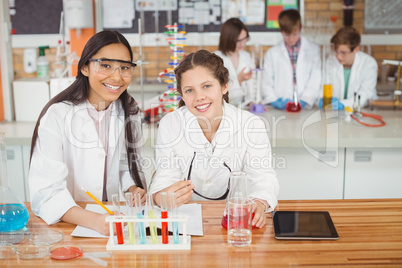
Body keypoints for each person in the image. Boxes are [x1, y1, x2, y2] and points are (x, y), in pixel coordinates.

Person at [28, 30, 147, 235]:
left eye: (125, 67)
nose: (117, 76)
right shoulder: (57, 115)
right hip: (65, 226)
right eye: (106, 65)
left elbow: (125, 164)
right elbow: (47, 191)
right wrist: (95, 221)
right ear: (84, 67)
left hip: (108, 220)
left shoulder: (129, 110)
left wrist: (133, 189)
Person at [149, 50, 279, 228]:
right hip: (184, 221)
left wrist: (259, 202)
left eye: (207, 86)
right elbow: (165, 175)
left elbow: (263, 176)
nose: (199, 97)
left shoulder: (251, 124)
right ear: (181, 95)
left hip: (232, 220)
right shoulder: (170, 124)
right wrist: (159, 197)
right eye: (189, 90)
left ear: (224, 86)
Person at [262, 9, 321, 109]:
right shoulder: (272, 53)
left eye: (294, 34)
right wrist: (274, 100)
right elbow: (266, 82)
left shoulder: (314, 50)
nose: (291, 39)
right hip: (279, 108)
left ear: (300, 28)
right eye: (286, 35)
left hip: (304, 108)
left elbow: (315, 79)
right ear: (281, 30)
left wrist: (305, 99)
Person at [319, 26, 378, 110]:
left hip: (361, 111)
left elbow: (365, 93)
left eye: (343, 52)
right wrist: (321, 98)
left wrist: (342, 104)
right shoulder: (331, 61)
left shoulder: (368, 63)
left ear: (356, 49)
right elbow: (323, 85)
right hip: (334, 113)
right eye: (336, 51)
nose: (338, 56)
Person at [214, 18, 255, 107]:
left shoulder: (246, 56)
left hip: (243, 107)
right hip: (224, 108)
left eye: (244, 39)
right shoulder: (215, 59)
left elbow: (251, 84)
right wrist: (239, 80)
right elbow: (217, 91)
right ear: (228, 39)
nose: (242, 44)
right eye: (238, 41)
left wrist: (252, 101)